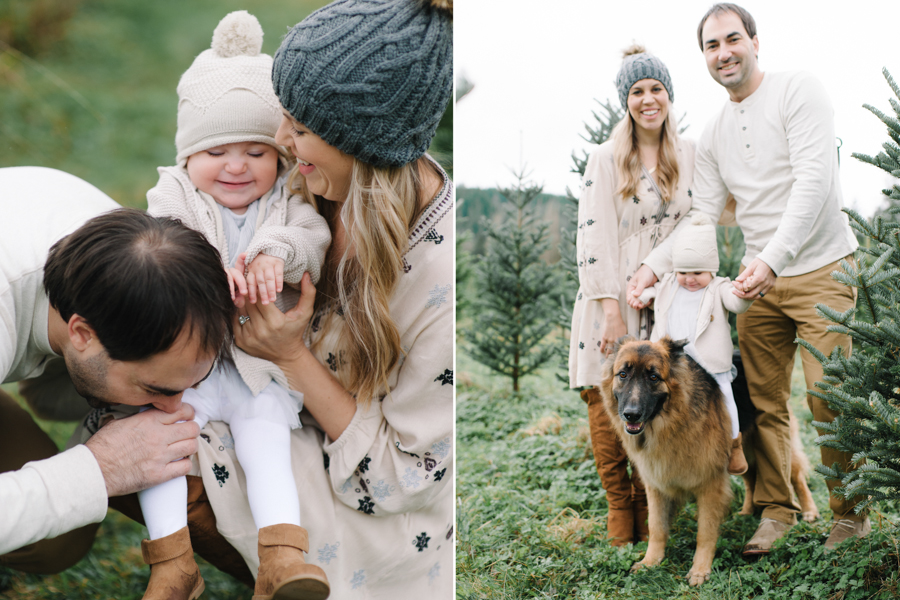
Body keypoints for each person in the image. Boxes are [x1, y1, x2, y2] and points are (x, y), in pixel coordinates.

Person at [92, 11, 332, 600]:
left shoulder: (286, 197)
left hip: (256, 367)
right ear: (188, 154)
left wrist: (277, 253)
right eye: (217, 150)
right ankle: (172, 564)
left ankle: (281, 557)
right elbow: (165, 237)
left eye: (256, 150)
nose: (236, 166)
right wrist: (199, 266)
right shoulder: (172, 192)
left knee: (266, 437)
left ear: (278, 153)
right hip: (189, 363)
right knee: (162, 442)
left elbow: (310, 236)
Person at [628, 3, 862, 555]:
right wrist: (653, 267)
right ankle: (777, 510)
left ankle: (850, 516)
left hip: (822, 268)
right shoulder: (712, 135)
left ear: (755, 41)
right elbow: (701, 218)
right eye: (711, 46)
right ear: (704, 57)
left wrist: (773, 257)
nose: (723, 52)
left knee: (831, 396)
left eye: (732, 39)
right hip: (757, 285)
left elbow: (814, 180)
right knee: (760, 403)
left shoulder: (798, 90)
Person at [0, 166, 233, 573]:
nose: (172, 407)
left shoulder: (130, 262)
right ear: (81, 333)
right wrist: (100, 470)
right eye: (156, 388)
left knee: (55, 538)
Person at [568, 45, 695, 546]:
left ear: (668, 96)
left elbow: (694, 221)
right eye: (638, 91)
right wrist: (610, 311)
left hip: (668, 296)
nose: (648, 99)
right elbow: (592, 235)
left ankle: (653, 506)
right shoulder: (605, 158)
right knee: (608, 399)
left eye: (656, 89)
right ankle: (620, 507)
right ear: (626, 100)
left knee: (659, 399)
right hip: (614, 297)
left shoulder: (685, 156)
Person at [631, 213, 753, 475]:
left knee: (726, 400)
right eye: (683, 272)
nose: (689, 279)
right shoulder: (670, 285)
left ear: (712, 270)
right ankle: (676, 447)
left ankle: (734, 445)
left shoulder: (719, 287)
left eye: (697, 272)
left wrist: (744, 293)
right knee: (672, 402)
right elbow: (655, 293)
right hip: (674, 362)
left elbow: (736, 303)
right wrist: (643, 296)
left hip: (710, 363)